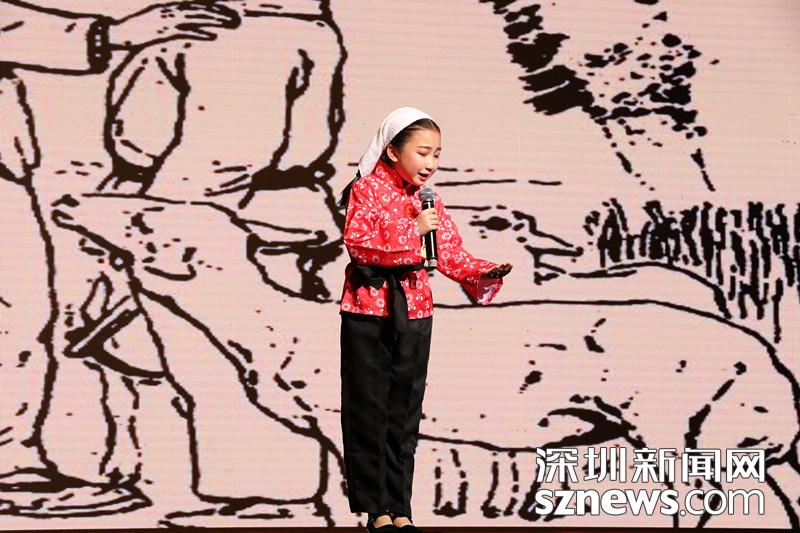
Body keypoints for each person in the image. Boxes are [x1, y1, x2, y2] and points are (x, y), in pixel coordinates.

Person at [338, 107, 513, 532]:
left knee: (405, 412)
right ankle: (375, 508)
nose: (431, 163)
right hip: (368, 311)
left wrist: (482, 270)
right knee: (369, 409)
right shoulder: (365, 189)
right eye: (423, 152)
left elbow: (448, 251)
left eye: (437, 154)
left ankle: (400, 507)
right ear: (393, 151)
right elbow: (358, 244)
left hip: (415, 310)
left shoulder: (426, 199)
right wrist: (412, 230)